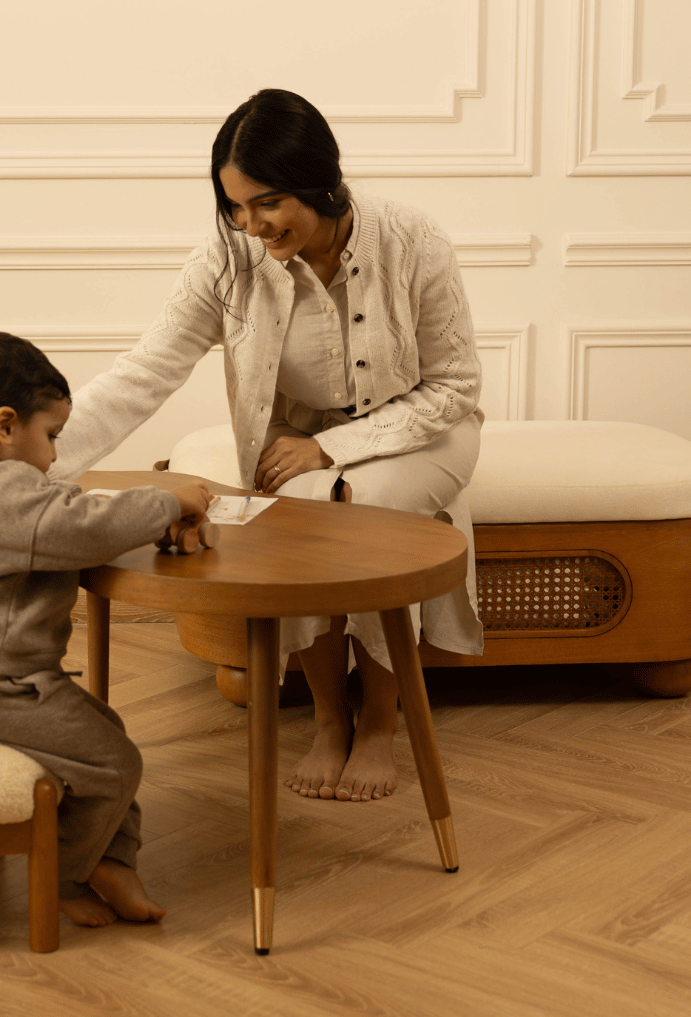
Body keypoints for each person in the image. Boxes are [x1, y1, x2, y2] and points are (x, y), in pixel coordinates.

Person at [51, 89, 485, 805]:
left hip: (423, 430)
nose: (251, 226)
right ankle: (328, 717)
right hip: (297, 441)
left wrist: (333, 447)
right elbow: (146, 370)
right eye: (234, 207)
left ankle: (380, 721)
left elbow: (455, 386)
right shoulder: (227, 260)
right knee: (302, 517)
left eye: (268, 204)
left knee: (370, 505)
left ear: (320, 182)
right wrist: (37, 457)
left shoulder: (413, 240)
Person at [0, 331, 212, 927]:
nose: (55, 456)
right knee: (116, 763)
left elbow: (63, 525)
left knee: (108, 737)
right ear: (6, 426)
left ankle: (111, 862)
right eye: (51, 436)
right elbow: (80, 527)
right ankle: (65, 874)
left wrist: (148, 524)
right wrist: (170, 501)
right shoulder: (3, 495)